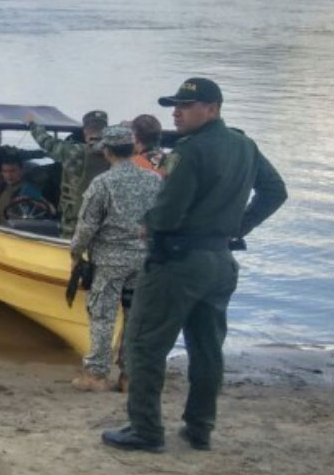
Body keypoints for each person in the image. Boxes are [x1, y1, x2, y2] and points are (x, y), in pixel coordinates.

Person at [102, 78, 287, 453]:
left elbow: (168, 212)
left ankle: (146, 429)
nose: (177, 112)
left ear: (213, 108)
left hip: (177, 262)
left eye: (186, 105)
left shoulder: (189, 152)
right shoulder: (245, 145)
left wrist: (148, 224)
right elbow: (275, 191)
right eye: (175, 105)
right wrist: (239, 226)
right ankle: (200, 427)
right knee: (206, 348)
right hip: (220, 260)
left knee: (144, 345)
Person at [69, 126, 162, 393]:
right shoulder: (154, 180)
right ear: (133, 150)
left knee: (103, 316)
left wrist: (75, 253)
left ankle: (96, 374)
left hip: (109, 261)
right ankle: (129, 376)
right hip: (144, 260)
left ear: (107, 153)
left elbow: (86, 227)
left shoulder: (103, 183)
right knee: (137, 318)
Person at [29, 109, 110, 240]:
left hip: (75, 220)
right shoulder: (116, 154)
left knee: (69, 249)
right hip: (104, 220)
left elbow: (46, 142)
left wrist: (32, 124)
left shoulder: (74, 151)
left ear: (85, 131)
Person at [0, 156, 44, 223]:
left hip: (13, 228)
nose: (8, 175)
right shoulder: (2, 185)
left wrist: (30, 201)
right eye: (5, 171)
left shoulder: (29, 190)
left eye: (12, 171)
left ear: (21, 170)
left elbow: (52, 210)